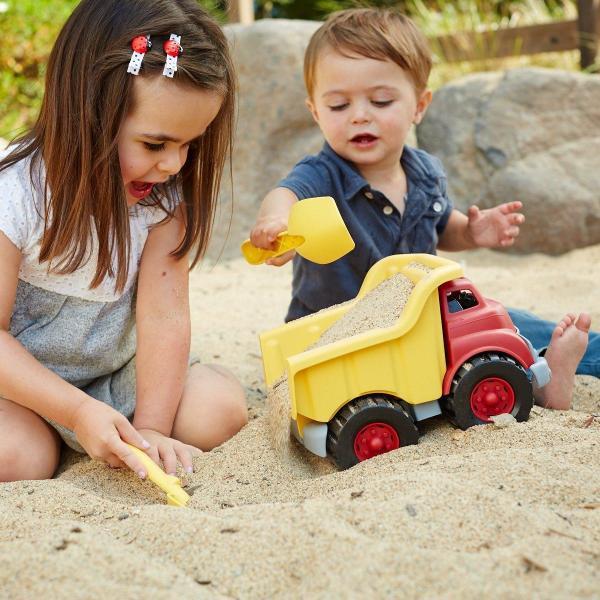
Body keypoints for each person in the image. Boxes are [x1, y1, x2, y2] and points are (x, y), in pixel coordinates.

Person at [249, 8, 595, 411]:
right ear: (315, 112)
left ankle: (549, 373)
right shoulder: (322, 174)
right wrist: (274, 222)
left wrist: (471, 232)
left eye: (381, 100)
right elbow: (286, 193)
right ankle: (533, 377)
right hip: (339, 330)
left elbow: (442, 225)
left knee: (503, 319)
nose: (360, 114)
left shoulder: (425, 171)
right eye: (339, 106)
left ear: (419, 105)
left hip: (422, 320)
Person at [0, 0, 248, 483]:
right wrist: (75, 414)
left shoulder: (161, 197)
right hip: (20, 386)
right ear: (85, 114)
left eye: (189, 144)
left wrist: (152, 426)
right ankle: (55, 435)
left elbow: (164, 314)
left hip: (115, 378)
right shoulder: (15, 192)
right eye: (155, 144)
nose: (174, 165)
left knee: (218, 410)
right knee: (18, 458)